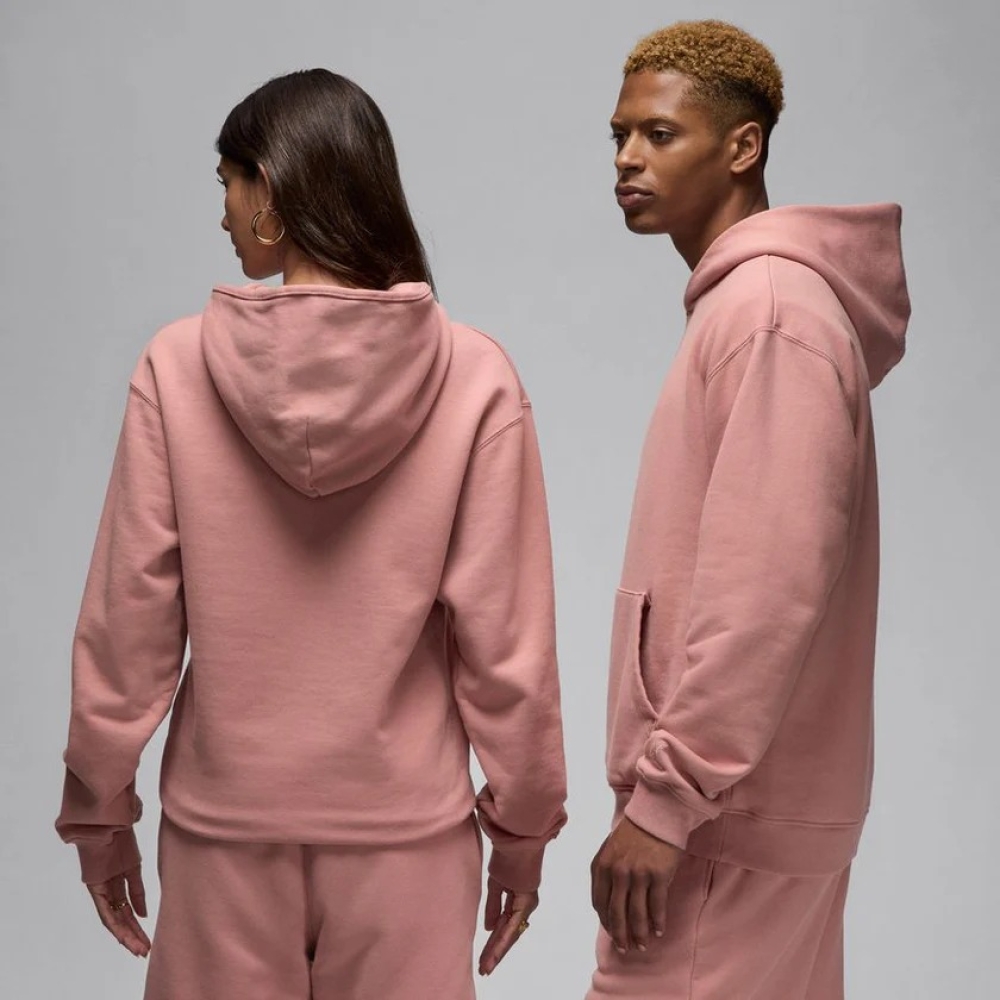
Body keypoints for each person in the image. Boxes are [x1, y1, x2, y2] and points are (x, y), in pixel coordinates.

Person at [55, 68, 567, 1000]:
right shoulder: (475, 379)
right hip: (407, 840)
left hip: (224, 835)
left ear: (273, 192)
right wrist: (524, 832)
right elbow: (508, 651)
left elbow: (128, 625)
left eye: (227, 183)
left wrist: (99, 811)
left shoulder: (176, 369)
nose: (221, 212)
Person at [587, 20, 910, 999]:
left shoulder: (769, 315)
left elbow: (766, 587)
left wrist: (667, 799)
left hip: (721, 825)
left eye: (659, 134)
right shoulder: (758, 308)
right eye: (618, 135)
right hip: (750, 811)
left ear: (743, 146)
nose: (627, 158)